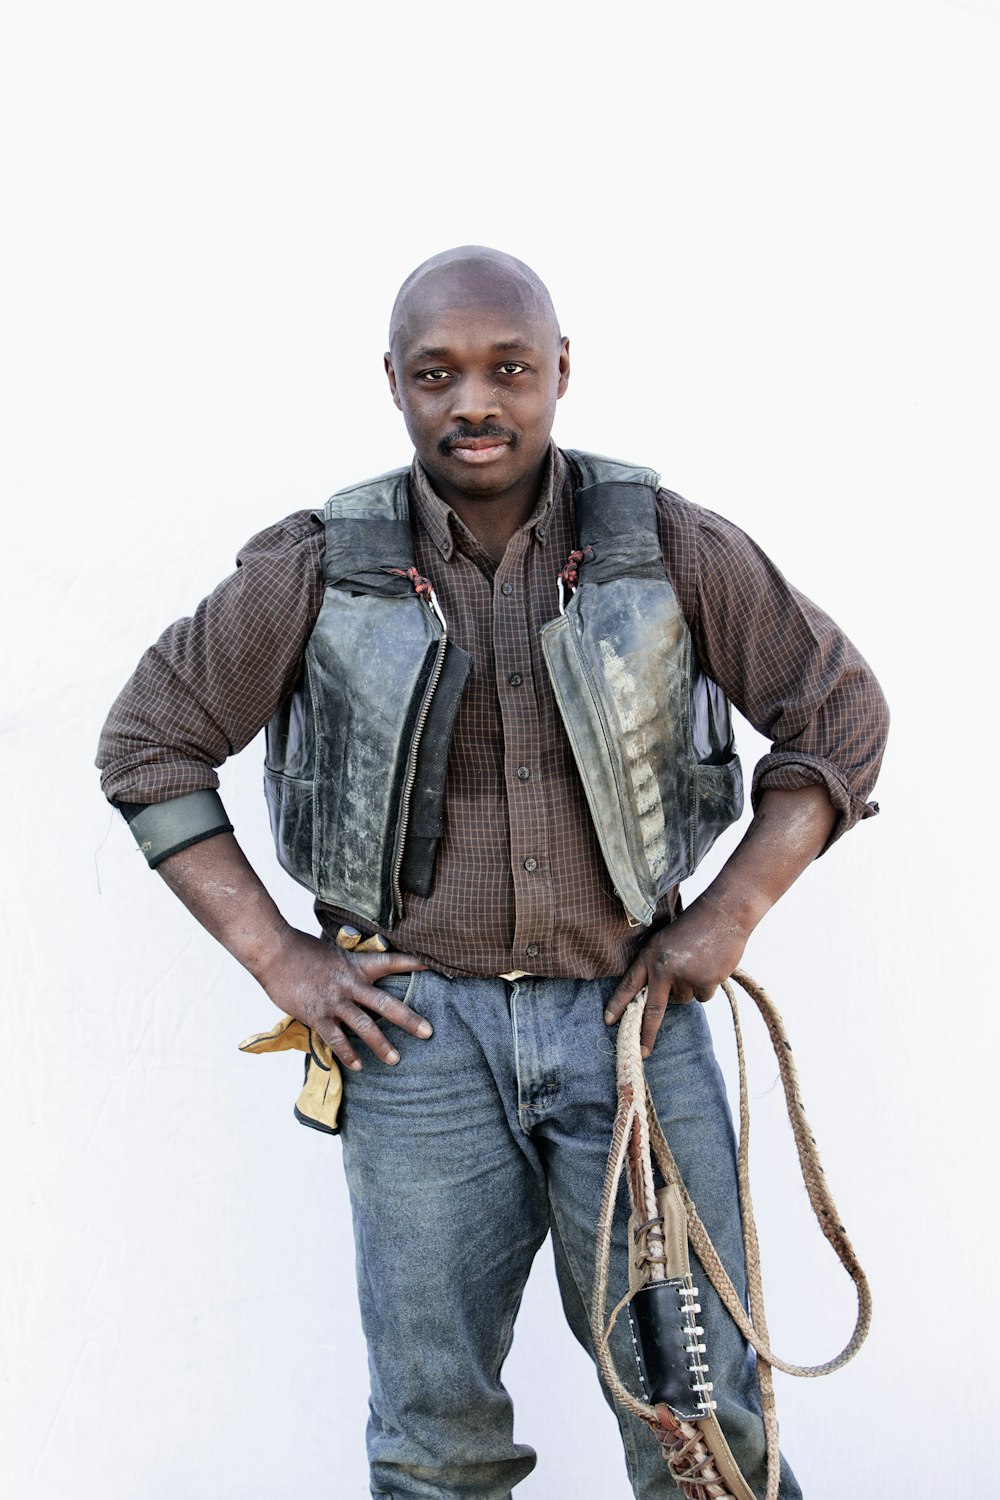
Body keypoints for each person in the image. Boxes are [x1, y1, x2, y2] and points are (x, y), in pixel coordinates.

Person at [97, 246, 888, 1500]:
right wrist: (281, 959)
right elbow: (149, 742)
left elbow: (837, 714)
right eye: (437, 374)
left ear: (559, 371)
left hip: (637, 1022)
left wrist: (730, 913)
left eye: (508, 368)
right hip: (411, 1047)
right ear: (396, 387)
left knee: (703, 1417)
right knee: (433, 1434)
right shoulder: (320, 562)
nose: (475, 400)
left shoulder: (668, 543)